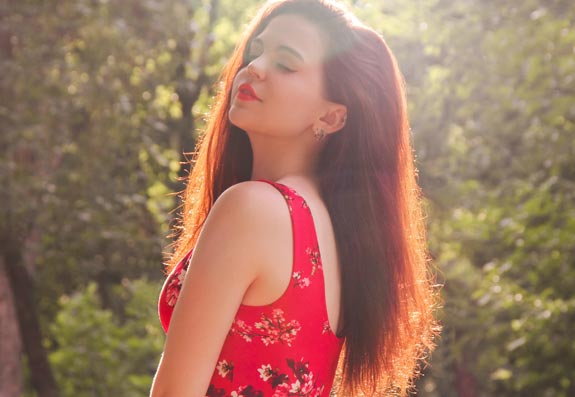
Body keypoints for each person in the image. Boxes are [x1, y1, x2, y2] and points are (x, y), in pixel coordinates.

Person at [150, 0, 440, 396]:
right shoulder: (335, 228)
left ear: (331, 117)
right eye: (257, 51)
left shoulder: (253, 210)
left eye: (286, 64)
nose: (254, 67)